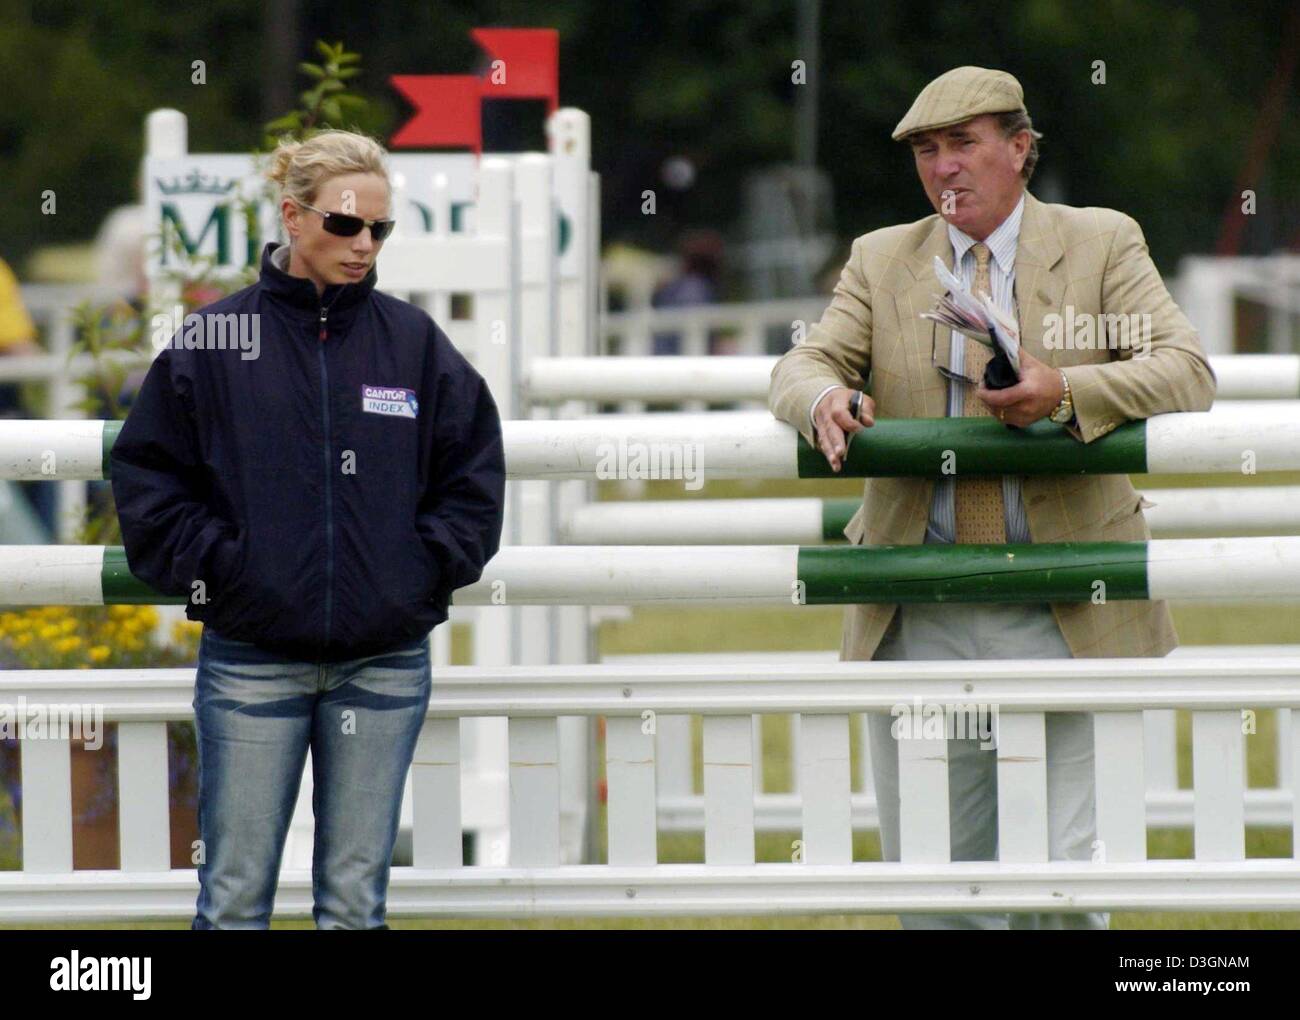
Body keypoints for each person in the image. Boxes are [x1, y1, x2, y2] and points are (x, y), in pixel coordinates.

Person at [768, 66, 1216, 930]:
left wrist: (1067, 392)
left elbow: (1187, 370)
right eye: (927, 152)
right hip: (920, 603)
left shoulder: (1102, 241)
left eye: (964, 144)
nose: (944, 169)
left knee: (1064, 894)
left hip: (1071, 597)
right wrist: (821, 399)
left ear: (1020, 148)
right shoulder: (880, 256)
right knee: (935, 892)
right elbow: (804, 361)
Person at [110, 129, 506, 929]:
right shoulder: (215, 340)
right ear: (292, 217)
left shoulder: (414, 343)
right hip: (252, 657)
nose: (364, 245)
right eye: (345, 225)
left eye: (380, 230)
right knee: (232, 901)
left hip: (385, 661)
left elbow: (473, 475)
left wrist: (417, 570)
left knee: (356, 908)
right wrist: (226, 568)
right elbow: (148, 479)